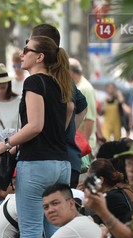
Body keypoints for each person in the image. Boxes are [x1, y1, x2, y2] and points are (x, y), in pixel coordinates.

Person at [0, 35, 73, 238]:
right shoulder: (60, 83)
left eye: (26, 50)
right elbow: (70, 109)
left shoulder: (34, 82)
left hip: (37, 165)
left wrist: (7, 144)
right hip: (61, 165)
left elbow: (36, 125)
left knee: (31, 232)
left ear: (40, 57)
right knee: (54, 230)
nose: (21, 54)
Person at [29, 24, 88, 188]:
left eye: (29, 45)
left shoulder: (47, 79)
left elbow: (71, 107)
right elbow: (82, 107)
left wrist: (60, 131)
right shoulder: (62, 77)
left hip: (55, 162)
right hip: (66, 161)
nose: (25, 51)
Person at [85, 158, 133, 224]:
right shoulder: (119, 192)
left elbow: (90, 221)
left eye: (89, 179)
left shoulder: (108, 198)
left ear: (100, 180)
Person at [69, 59, 98, 155]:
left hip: (83, 145)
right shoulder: (79, 86)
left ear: (71, 72)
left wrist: (83, 147)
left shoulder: (84, 88)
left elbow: (90, 119)